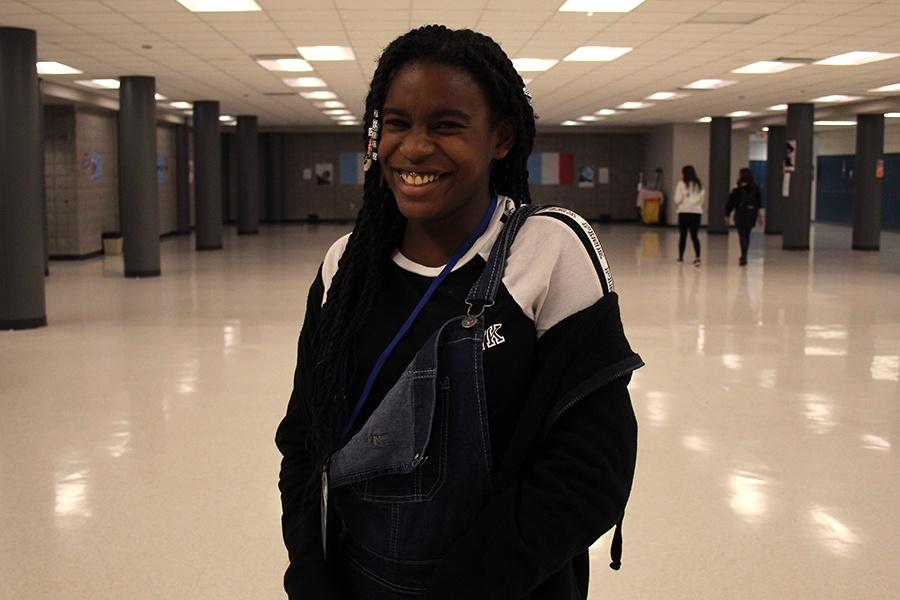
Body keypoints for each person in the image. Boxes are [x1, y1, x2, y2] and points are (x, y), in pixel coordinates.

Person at [275, 25, 642, 600]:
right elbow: (305, 438)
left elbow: (591, 468)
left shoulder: (547, 253)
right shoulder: (345, 265)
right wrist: (309, 569)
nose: (414, 148)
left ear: (500, 138)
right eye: (396, 123)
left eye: (445, 125)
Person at [725, 168, 764, 266]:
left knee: (742, 235)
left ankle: (743, 255)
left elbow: (730, 203)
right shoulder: (755, 188)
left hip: (740, 213)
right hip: (751, 214)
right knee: (747, 234)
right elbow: (759, 203)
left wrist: (727, 214)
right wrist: (761, 216)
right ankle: (744, 254)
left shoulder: (737, 189)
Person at [674, 165, 704, 266]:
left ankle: (680, 257)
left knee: (683, 236)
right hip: (696, 213)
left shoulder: (681, 184)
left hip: (684, 212)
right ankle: (697, 257)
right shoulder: (699, 185)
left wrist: (683, 200)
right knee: (694, 236)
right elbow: (702, 199)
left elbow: (677, 199)